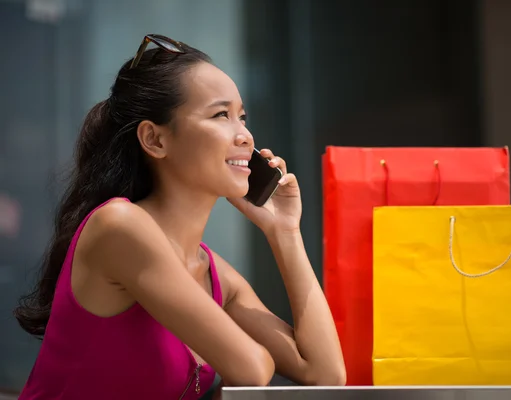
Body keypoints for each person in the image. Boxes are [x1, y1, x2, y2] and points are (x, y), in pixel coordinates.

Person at [14, 34, 345, 400]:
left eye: (243, 117)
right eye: (221, 115)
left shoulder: (212, 272)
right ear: (155, 140)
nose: (245, 136)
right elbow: (250, 368)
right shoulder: (118, 226)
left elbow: (324, 373)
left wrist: (284, 231)